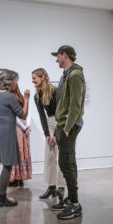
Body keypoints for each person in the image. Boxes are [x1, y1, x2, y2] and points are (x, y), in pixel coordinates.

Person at [51, 45, 85, 220]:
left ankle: (75, 203)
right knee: (66, 163)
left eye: (57, 56)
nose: (56, 59)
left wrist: (66, 127)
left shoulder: (75, 75)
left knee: (67, 163)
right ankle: (71, 199)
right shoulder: (66, 75)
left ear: (64, 55)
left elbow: (75, 104)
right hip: (62, 124)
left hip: (68, 126)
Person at [0, 69, 29, 207]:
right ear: (10, 82)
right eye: (16, 81)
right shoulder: (9, 97)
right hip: (8, 134)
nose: (16, 84)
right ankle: (2, 198)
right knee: (7, 165)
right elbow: (23, 115)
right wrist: (27, 99)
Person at [32, 68, 65, 200]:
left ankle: (61, 187)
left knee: (62, 157)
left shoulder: (55, 91)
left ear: (42, 77)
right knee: (50, 156)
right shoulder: (37, 96)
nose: (32, 81)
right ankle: (51, 187)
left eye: (34, 78)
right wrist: (47, 134)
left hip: (61, 123)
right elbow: (42, 116)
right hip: (50, 124)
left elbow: (60, 113)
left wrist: (56, 134)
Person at [9, 83, 32, 187]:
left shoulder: (11, 97)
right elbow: (25, 114)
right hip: (22, 128)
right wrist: (26, 126)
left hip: (16, 128)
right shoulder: (21, 97)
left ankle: (14, 178)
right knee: (22, 152)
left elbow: (18, 115)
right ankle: (20, 177)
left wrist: (25, 126)